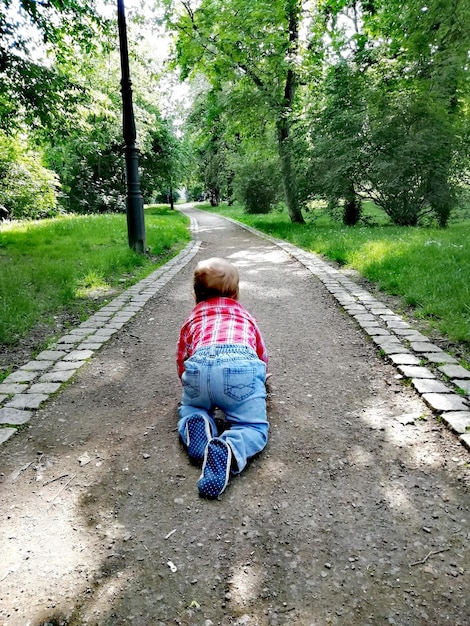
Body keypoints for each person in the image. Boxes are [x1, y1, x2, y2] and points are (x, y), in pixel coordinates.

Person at [176, 257, 269, 498]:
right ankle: (229, 447)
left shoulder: (192, 318)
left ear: (196, 295)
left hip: (198, 371)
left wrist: (186, 382)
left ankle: (197, 422)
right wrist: (261, 381)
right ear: (236, 295)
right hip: (241, 369)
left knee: (190, 408)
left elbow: (182, 356)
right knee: (253, 427)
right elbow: (260, 353)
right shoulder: (245, 317)